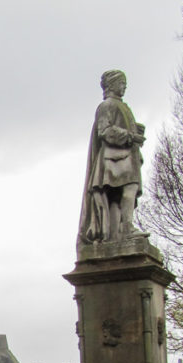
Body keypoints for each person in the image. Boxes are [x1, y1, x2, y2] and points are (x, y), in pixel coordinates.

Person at [78, 70, 146, 244]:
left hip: (125, 156)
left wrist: (135, 133)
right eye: (121, 83)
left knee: (119, 196)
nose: (124, 87)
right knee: (127, 189)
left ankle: (118, 233)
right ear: (112, 85)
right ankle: (126, 228)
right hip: (114, 158)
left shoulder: (122, 106)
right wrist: (130, 136)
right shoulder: (107, 105)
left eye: (124, 83)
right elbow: (105, 131)